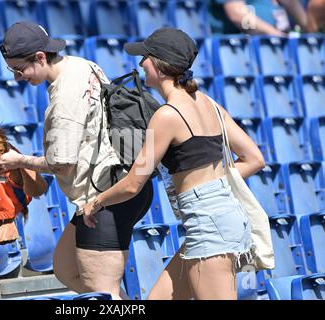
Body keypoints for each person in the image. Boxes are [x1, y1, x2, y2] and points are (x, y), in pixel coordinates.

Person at [81, 28, 266, 300]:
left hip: (209, 228)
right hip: (224, 219)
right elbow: (255, 159)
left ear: (159, 66)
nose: (140, 63)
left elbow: (133, 183)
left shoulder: (166, 116)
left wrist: (96, 202)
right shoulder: (209, 103)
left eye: (144, 57)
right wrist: (211, 185)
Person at [0, 21, 153, 299]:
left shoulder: (64, 98)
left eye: (20, 69)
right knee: (66, 268)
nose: (17, 77)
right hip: (124, 186)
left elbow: (62, 163)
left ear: (41, 57)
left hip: (104, 197)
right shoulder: (83, 65)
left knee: (101, 293)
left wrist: (20, 160)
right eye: (12, 69)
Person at [208, 0, 309, 36]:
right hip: (239, 48)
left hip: (276, 45)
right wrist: (278, 36)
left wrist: (309, 30)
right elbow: (238, 15)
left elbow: (290, 2)